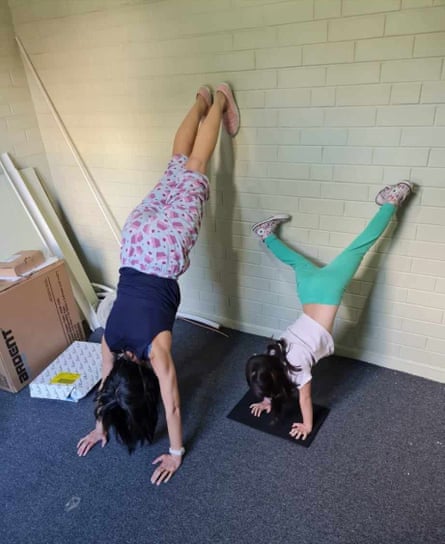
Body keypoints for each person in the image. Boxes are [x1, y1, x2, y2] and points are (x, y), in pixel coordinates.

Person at [77, 83, 240, 485]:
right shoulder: (109, 337)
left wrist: (176, 452)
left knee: (196, 163)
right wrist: (100, 424)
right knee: (176, 164)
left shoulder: (159, 350)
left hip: (165, 249)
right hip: (134, 241)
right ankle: (200, 100)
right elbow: (105, 387)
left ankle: (220, 99)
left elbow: (174, 407)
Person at [245, 181, 414, 441]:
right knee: (295, 261)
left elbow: (306, 397)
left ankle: (393, 200)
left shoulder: (297, 368)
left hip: (328, 290)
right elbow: (267, 372)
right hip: (309, 290)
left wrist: (307, 426)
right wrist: (267, 400)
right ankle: (266, 235)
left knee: (361, 246)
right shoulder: (272, 352)